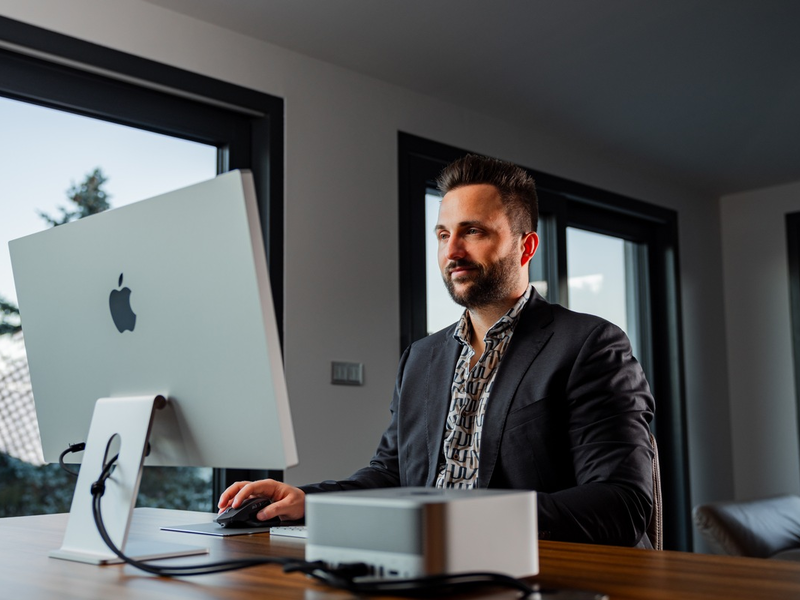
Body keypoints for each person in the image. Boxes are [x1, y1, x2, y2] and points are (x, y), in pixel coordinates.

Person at [219, 154, 656, 548]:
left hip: (532, 571)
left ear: (526, 247)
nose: (452, 251)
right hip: (425, 563)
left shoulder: (589, 345)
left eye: (474, 232)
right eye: (444, 233)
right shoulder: (421, 359)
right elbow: (391, 476)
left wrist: (463, 519)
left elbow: (621, 504)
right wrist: (305, 500)